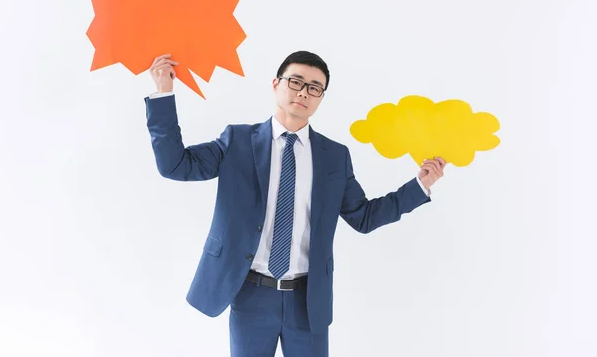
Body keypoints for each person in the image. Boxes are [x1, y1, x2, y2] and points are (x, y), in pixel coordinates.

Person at [144, 50, 446, 356]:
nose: (304, 92)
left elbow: (363, 217)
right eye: (296, 81)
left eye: (315, 87)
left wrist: (420, 185)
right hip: (250, 294)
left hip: (307, 300)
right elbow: (175, 165)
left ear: (321, 98)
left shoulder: (334, 156)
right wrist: (163, 95)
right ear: (276, 84)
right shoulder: (237, 141)